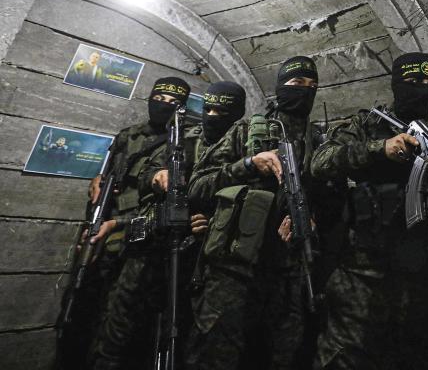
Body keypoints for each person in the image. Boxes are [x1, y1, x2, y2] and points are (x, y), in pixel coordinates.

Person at [308, 52, 428, 370]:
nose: (420, 88)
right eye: (411, 81)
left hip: (425, 274)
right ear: (396, 84)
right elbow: (321, 163)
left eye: (427, 81)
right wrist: (379, 149)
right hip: (363, 274)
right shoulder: (366, 125)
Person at [185, 60, 336, 370]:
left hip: (289, 272)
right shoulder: (247, 131)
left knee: (281, 356)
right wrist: (249, 164)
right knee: (215, 356)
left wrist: (312, 218)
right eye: (296, 84)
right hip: (233, 270)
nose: (304, 91)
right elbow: (197, 186)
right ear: (280, 87)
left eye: (311, 85)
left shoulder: (321, 141)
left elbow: (334, 198)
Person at [89, 80, 238, 370]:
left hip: (192, 255)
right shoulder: (181, 138)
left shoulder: (238, 145)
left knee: (170, 332)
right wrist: (157, 176)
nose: (212, 117)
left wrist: (212, 220)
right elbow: (147, 177)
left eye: (222, 111)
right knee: (116, 326)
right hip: (148, 241)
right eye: (208, 109)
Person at [59, 77, 190, 370]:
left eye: (173, 102)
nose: (164, 105)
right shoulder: (128, 136)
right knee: (78, 307)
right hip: (102, 234)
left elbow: (168, 208)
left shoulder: (182, 145)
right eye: (160, 97)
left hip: (138, 245)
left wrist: (119, 224)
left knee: (118, 324)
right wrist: (93, 210)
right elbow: (104, 182)